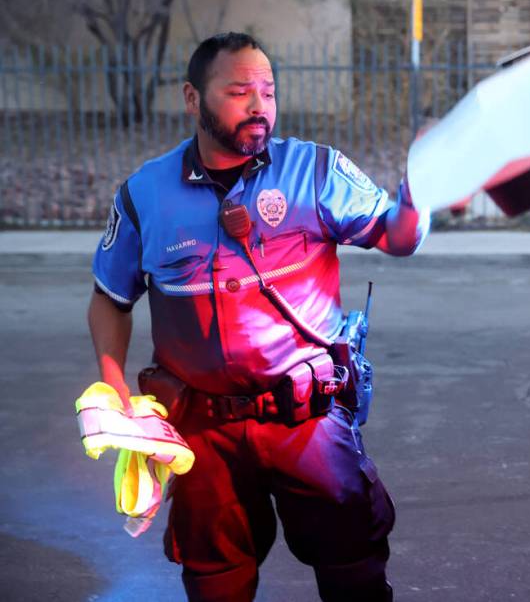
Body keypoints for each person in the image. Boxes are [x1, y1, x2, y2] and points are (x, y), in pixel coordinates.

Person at [87, 32, 429, 602]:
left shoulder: (314, 171)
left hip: (308, 421)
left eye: (268, 91)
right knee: (215, 581)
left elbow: (399, 236)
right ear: (193, 99)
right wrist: (116, 386)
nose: (259, 105)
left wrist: (420, 190)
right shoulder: (145, 194)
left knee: (354, 571)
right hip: (202, 432)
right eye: (240, 91)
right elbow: (109, 297)